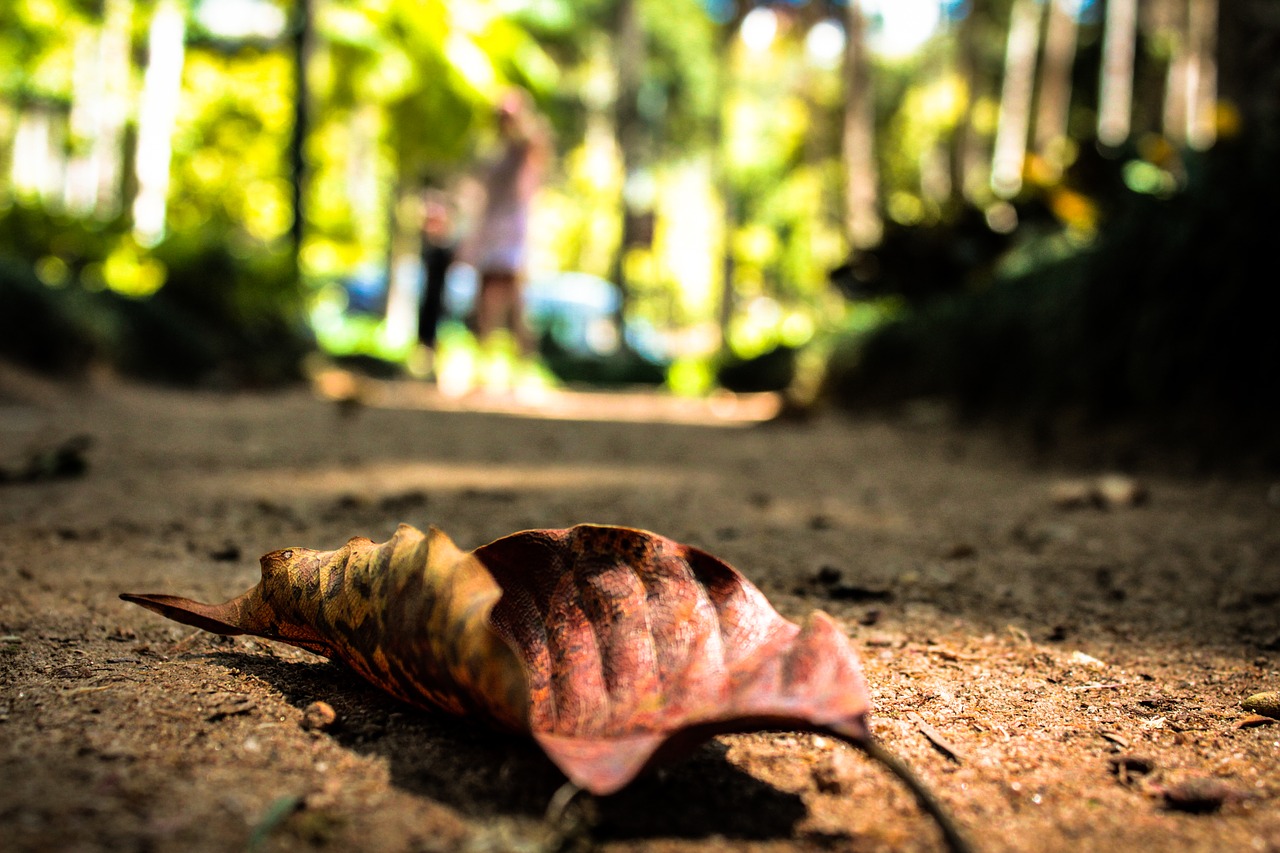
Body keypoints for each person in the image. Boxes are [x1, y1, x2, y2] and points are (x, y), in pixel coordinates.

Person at [460, 88, 550, 361]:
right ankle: (483, 362)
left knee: (514, 297)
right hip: (491, 227)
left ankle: (523, 362)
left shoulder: (526, 146)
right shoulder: (490, 150)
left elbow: (537, 148)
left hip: (513, 227)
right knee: (485, 295)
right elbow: (477, 185)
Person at [414, 188, 456, 378]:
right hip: (430, 307)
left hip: (441, 306)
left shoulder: (445, 250)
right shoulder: (430, 251)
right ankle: (425, 362)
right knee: (428, 324)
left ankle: (433, 363)